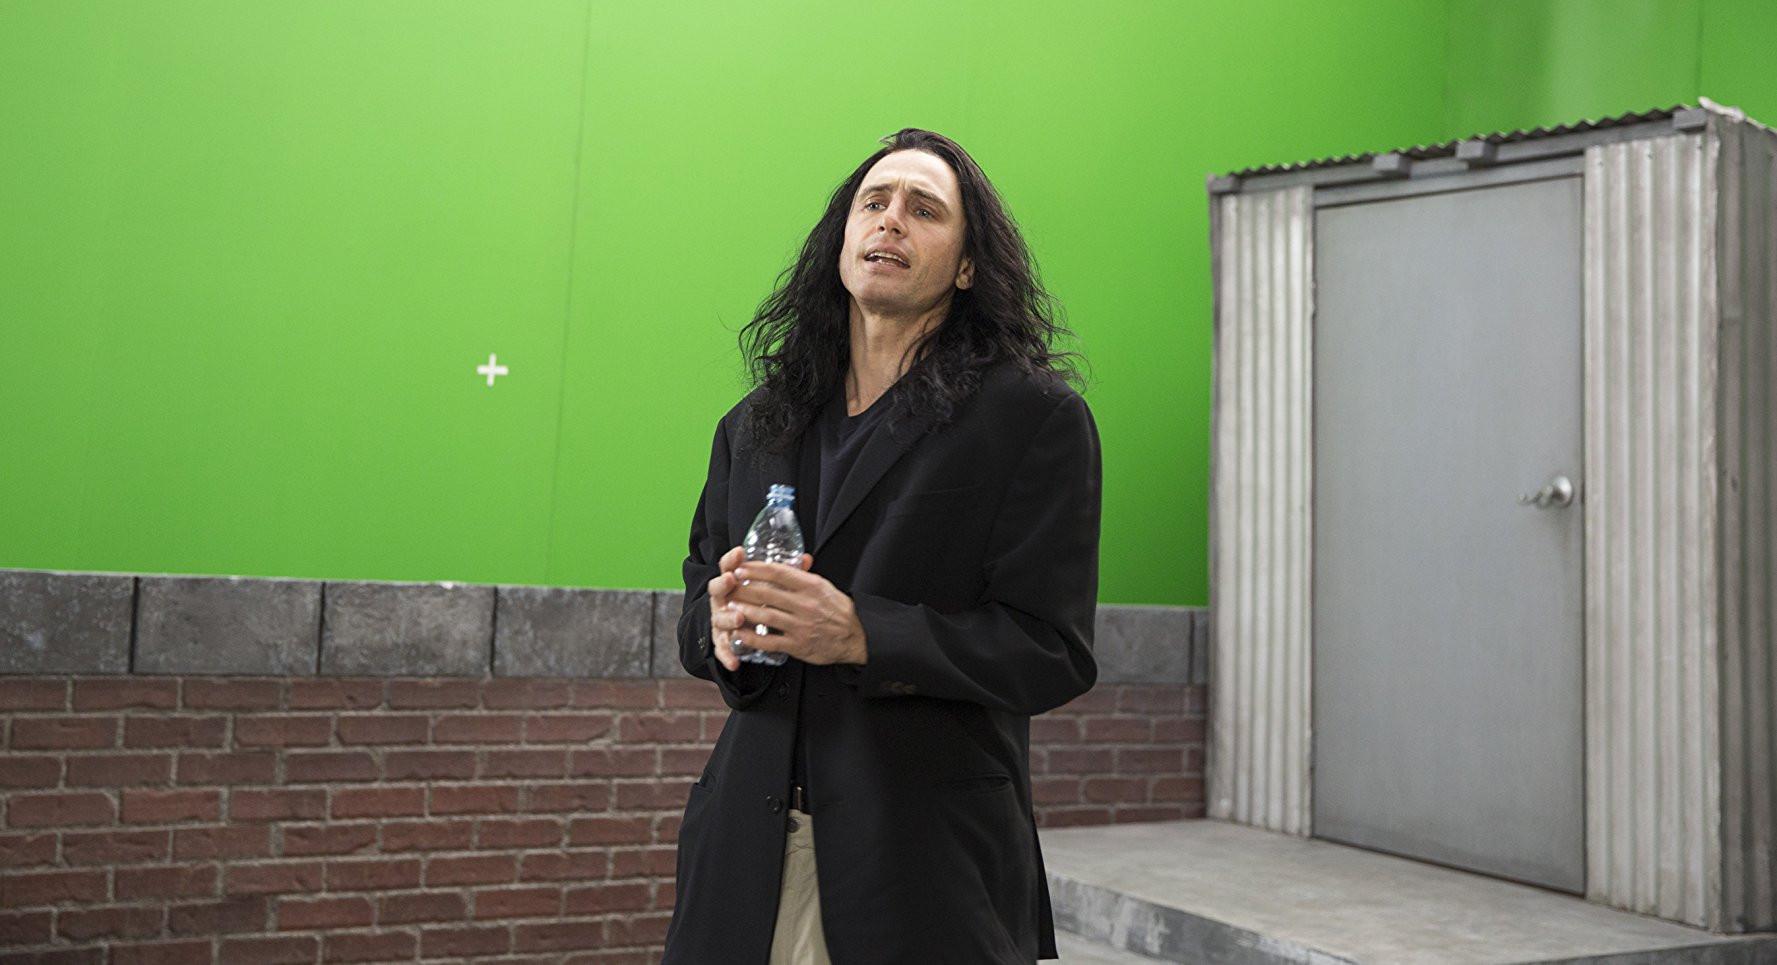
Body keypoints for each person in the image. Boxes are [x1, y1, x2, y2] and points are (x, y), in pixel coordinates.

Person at [660, 127, 1102, 965]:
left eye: (923, 209)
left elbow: (1053, 650)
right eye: (873, 202)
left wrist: (863, 634)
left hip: (920, 868)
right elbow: (695, 609)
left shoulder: (1031, 419)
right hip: (744, 856)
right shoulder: (753, 425)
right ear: (842, 243)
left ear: (967, 267)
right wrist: (717, 630)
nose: (890, 219)